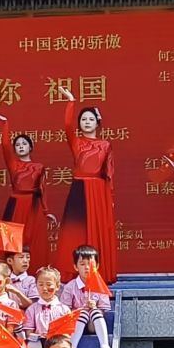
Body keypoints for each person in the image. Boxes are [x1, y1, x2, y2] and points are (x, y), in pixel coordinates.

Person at [55, 88, 119, 284]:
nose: (87, 122)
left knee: (97, 231)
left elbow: (109, 173)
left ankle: (99, 273)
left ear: (97, 123)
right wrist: (71, 102)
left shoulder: (105, 145)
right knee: (75, 232)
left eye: (91, 119)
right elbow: (67, 124)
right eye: (83, 119)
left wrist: (110, 198)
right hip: (79, 189)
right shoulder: (76, 142)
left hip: (98, 191)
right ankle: (73, 272)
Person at [0, 112, 51, 269]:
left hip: (34, 206)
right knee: (12, 239)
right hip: (16, 203)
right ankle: (9, 271)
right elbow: (5, 146)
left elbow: (43, 189)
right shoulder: (13, 164)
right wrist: (5, 125)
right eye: (17, 145)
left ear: (30, 147)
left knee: (33, 239)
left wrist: (46, 211)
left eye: (24, 144)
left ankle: (34, 271)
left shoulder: (39, 167)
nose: (21, 146)